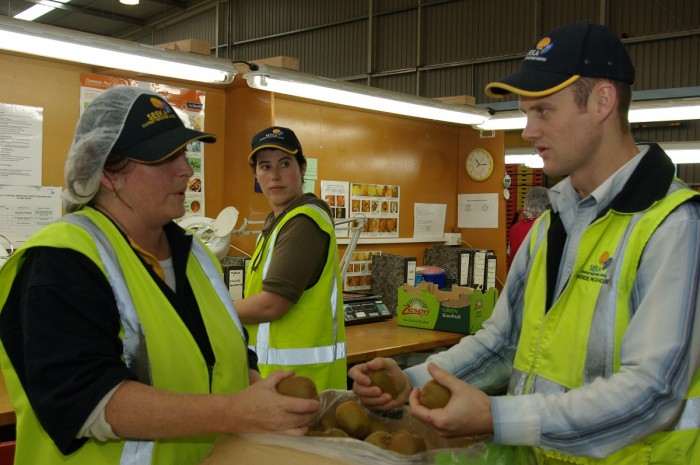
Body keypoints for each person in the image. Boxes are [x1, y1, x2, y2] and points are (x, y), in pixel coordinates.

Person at [349, 21, 700, 464]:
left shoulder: (674, 228)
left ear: (602, 102)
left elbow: (655, 391)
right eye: (525, 113)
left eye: (543, 111)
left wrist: (500, 416)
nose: (528, 131)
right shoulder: (552, 223)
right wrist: (413, 381)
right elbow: (503, 342)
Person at [0, 86, 319, 465]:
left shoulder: (195, 255)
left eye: (183, 153)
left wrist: (259, 392)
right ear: (108, 174)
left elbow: (225, 349)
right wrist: (236, 411)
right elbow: (88, 402)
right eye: (163, 157)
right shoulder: (62, 261)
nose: (186, 168)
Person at [233, 126, 347, 392]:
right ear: (256, 175)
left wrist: (209, 311)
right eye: (265, 166)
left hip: (304, 385)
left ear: (303, 167)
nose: (274, 175)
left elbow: (271, 306)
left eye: (284, 164)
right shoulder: (278, 223)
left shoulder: (303, 222)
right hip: (277, 381)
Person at [506, 186, 550, 269]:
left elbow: (510, 253)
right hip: (536, 279)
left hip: (516, 278)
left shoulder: (515, 228)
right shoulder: (547, 226)